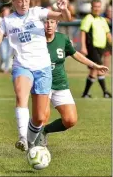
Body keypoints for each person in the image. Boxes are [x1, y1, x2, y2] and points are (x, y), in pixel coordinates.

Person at [0, 0, 72, 151]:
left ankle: (30, 142)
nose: (24, 4)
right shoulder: (7, 21)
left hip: (43, 68)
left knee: (40, 117)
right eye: (20, 1)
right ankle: (22, 137)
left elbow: (66, 18)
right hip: (22, 66)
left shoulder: (37, 12)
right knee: (21, 97)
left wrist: (64, 9)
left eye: (26, 0)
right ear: (13, 2)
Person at [34, 18, 109, 147]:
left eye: (52, 22)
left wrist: (95, 65)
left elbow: (76, 54)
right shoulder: (35, 41)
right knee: (42, 117)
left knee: (70, 120)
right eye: (46, 22)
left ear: (57, 23)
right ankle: (36, 147)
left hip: (60, 84)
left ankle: (44, 131)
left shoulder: (62, 39)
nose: (49, 25)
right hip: (42, 84)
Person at [80, 0, 112, 98]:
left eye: (98, 7)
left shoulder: (102, 20)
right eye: (95, 7)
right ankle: (105, 92)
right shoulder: (88, 18)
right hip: (91, 47)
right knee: (99, 67)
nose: (97, 9)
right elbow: (83, 32)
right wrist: (83, 47)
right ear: (91, 8)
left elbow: (108, 34)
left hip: (101, 48)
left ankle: (85, 93)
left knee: (94, 70)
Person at [102, 4, 112, 68]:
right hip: (106, 40)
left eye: (111, 11)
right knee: (106, 55)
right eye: (108, 11)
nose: (110, 12)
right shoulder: (102, 18)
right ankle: (105, 71)